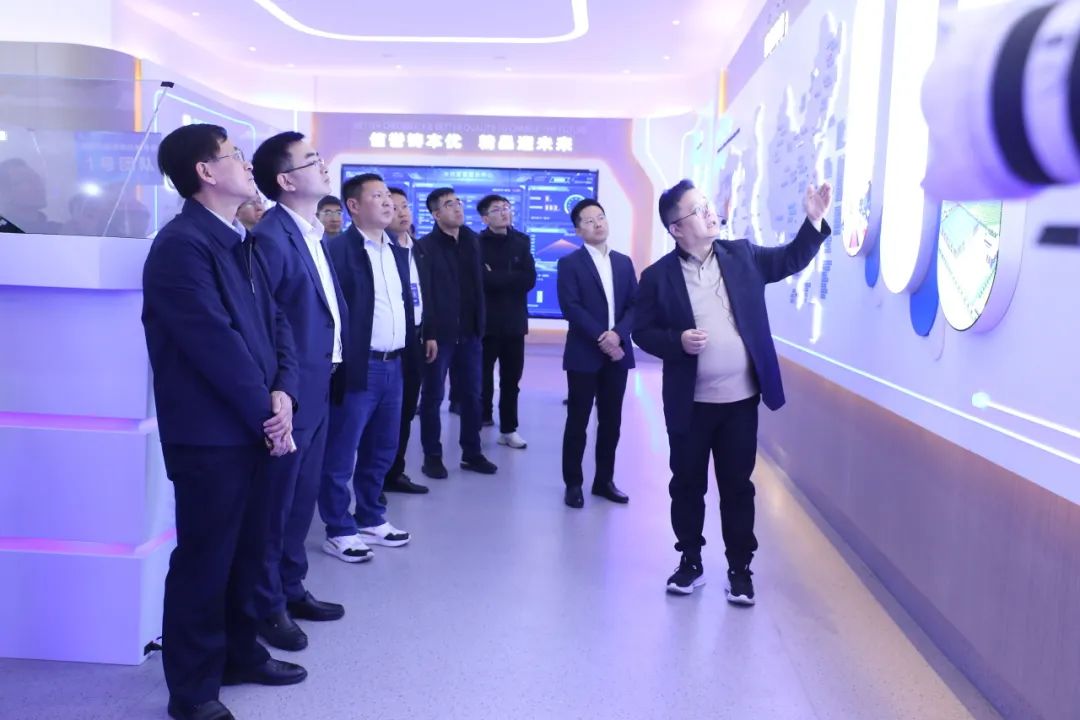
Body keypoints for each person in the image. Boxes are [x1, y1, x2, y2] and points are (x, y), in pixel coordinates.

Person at [142, 123, 306, 720]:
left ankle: (240, 654)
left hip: (257, 423)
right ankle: (191, 691)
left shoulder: (239, 238)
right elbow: (214, 344)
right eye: (235, 155)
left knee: (249, 551)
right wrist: (270, 413)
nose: (246, 164)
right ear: (206, 172)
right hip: (211, 435)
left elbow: (277, 325)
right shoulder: (181, 246)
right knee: (205, 561)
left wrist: (284, 392)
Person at [633, 178, 832, 604]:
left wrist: (813, 221)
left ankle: (740, 569)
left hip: (740, 404)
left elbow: (790, 259)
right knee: (687, 485)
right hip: (690, 405)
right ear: (676, 228)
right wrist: (676, 341)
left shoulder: (742, 255)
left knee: (737, 487)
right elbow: (642, 332)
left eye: (706, 204)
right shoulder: (657, 277)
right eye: (697, 209)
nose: (710, 212)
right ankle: (690, 561)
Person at [249, 132, 348, 652]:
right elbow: (266, 325)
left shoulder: (311, 233)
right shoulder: (271, 237)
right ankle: (266, 606)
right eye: (312, 160)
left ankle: (291, 587)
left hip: (319, 382)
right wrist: (280, 390)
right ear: (286, 180)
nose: (323, 165)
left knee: (301, 497)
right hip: (292, 391)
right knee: (276, 504)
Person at [319, 173, 418, 562]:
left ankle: (371, 517)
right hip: (360, 366)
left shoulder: (395, 249)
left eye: (388, 195)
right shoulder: (339, 250)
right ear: (354, 206)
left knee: (382, 448)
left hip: (395, 364)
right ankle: (338, 528)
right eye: (377, 196)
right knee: (342, 452)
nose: (388, 202)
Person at [557, 199, 637, 509]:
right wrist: (603, 337)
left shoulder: (623, 262)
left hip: (618, 353)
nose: (597, 224)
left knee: (611, 421)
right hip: (584, 353)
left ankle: (604, 480)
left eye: (600, 217)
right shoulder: (570, 264)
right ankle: (573, 483)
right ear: (578, 230)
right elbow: (571, 307)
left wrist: (618, 335)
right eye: (589, 221)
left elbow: (635, 305)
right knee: (577, 421)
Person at [417, 187, 498, 478]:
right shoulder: (424, 247)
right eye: (449, 204)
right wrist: (428, 333)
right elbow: (425, 294)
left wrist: (480, 325)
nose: (457, 208)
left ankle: (472, 453)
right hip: (440, 337)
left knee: (473, 395)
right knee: (433, 397)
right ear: (436, 214)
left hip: (471, 334)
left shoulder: (472, 242)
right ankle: (432, 456)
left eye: (459, 202)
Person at [383, 186, 434, 494]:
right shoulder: (381, 249)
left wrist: (429, 332)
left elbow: (428, 296)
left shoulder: (419, 248)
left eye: (405, 206)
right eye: (394, 207)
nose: (402, 212)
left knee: (405, 410)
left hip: (415, 337)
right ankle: (375, 478)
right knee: (383, 414)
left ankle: (395, 472)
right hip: (389, 340)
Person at [477, 194, 536, 448]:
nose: (504, 212)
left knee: (511, 380)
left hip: (514, 323)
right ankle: (481, 419)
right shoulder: (476, 243)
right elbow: (480, 280)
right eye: (497, 209)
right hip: (486, 324)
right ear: (485, 218)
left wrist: (496, 277)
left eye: (506, 208)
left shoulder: (521, 241)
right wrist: (510, 278)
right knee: (482, 378)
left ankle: (509, 429)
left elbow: (529, 280)